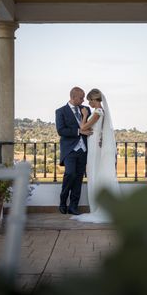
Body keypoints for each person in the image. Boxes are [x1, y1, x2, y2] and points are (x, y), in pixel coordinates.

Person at [71, 88, 120, 223]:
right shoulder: (100, 112)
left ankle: (97, 208)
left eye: (89, 100)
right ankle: (97, 205)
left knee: (93, 172)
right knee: (94, 172)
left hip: (94, 147)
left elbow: (84, 127)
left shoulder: (98, 112)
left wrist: (85, 115)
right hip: (94, 145)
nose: (89, 103)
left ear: (94, 100)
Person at [55, 87, 92, 215]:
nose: (83, 100)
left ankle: (73, 206)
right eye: (81, 98)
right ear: (73, 97)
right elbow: (61, 130)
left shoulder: (86, 110)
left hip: (84, 149)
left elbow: (91, 125)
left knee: (79, 178)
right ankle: (62, 201)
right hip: (70, 149)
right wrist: (78, 131)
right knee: (70, 174)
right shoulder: (61, 111)